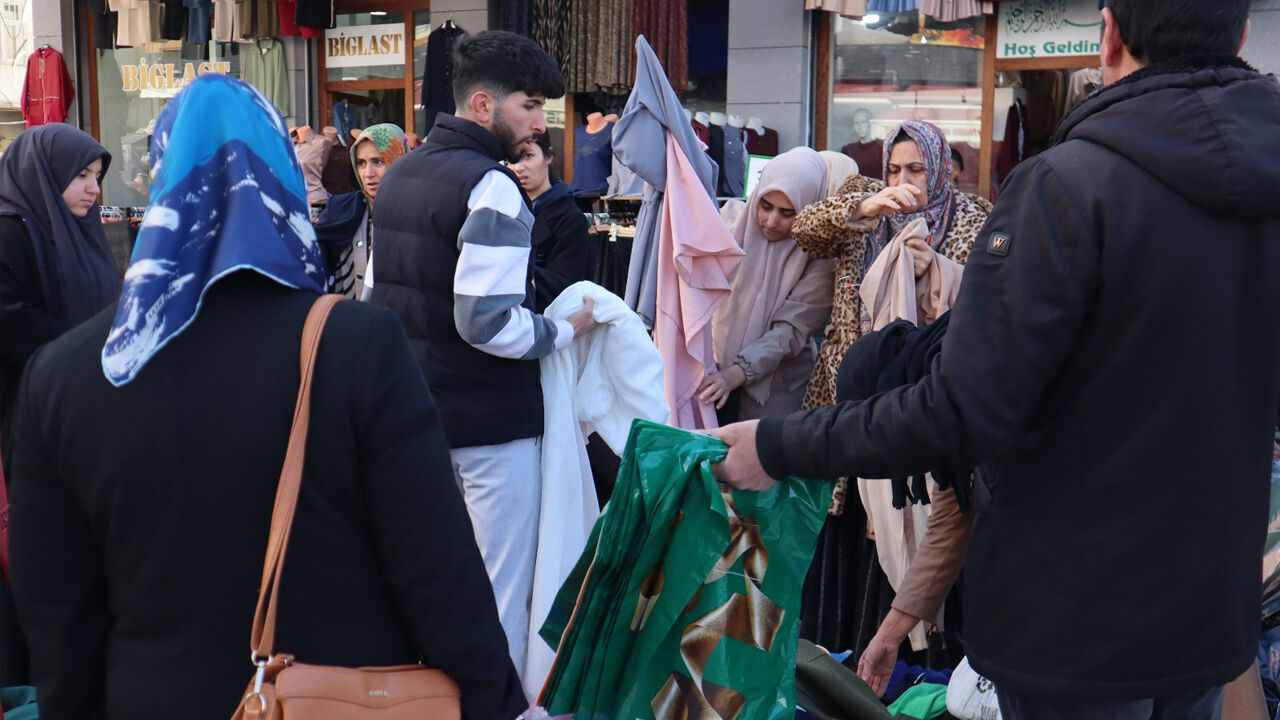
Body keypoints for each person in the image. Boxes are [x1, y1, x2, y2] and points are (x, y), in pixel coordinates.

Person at [712, 1, 1280, 717]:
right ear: (1241, 36)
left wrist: (778, 444)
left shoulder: (1068, 187)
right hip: (1207, 612)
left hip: (1075, 627)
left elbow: (963, 410)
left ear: (1106, 36)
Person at [7, 75, 526, 720]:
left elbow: (59, 624)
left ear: (165, 180)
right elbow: (438, 574)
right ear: (279, 178)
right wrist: (495, 701)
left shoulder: (62, 376)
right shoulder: (352, 345)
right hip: (337, 701)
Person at [368, 30, 598, 689]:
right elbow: (486, 321)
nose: (538, 122)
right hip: (491, 423)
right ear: (481, 104)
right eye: (529, 106)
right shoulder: (491, 185)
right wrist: (563, 330)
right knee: (501, 590)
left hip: (417, 420)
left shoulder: (404, 172)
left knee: (431, 580)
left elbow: (379, 297)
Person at [788, 119, 988, 679]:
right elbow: (806, 230)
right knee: (846, 539)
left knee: (915, 525)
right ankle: (837, 677)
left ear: (943, 170)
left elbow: (992, 299)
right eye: (895, 168)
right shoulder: (861, 202)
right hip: (848, 393)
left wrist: (939, 273)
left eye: (917, 170)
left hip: (922, 402)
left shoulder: (972, 216)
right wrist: (869, 208)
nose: (905, 180)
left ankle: (904, 669)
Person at [0, 123, 120, 687]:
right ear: (45, 175)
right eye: (80, 175)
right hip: (28, 412)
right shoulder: (11, 231)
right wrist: (76, 354)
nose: (93, 188)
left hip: (88, 408)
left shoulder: (84, 230)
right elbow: (9, 318)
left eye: (97, 176)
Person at [698, 147, 834, 423]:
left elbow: (790, 331)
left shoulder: (821, 255)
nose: (771, 222)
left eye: (788, 212)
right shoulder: (728, 223)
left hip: (775, 394)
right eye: (765, 206)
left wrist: (736, 373)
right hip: (710, 376)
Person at [314, 122, 408, 299]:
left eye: (378, 161)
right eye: (361, 163)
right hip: (349, 318)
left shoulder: (418, 212)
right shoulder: (342, 210)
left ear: (399, 160)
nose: (368, 173)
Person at [509, 132, 593, 312]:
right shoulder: (503, 209)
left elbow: (565, 286)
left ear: (548, 156)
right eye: (512, 159)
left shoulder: (570, 219)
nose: (518, 167)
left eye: (528, 156)